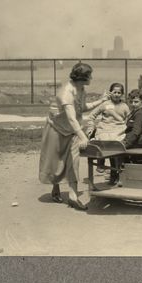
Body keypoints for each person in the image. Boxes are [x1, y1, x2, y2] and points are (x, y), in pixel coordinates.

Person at [38, 62, 105, 210]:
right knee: (56, 161)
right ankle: (55, 188)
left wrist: (101, 101)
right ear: (82, 77)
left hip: (73, 131)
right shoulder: (66, 92)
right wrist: (83, 136)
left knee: (74, 160)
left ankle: (73, 196)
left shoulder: (81, 89)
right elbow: (71, 118)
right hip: (57, 128)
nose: (91, 78)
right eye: (89, 76)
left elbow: (82, 108)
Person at [87, 82, 130, 185]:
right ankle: (100, 162)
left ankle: (115, 174)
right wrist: (90, 126)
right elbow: (92, 115)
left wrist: (126, 127)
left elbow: (128, 119)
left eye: (119, 92)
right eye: (114, 92)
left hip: (118, 129)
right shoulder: (105, 104)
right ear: (110, 93)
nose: (116, 94)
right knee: (102, 140)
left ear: (122, 94)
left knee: (115, 147)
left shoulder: (124, 106)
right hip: (105, 128)